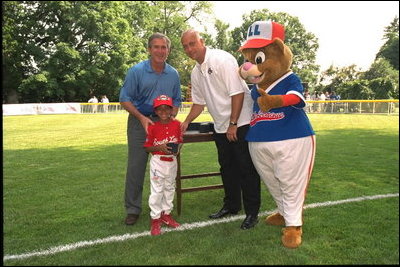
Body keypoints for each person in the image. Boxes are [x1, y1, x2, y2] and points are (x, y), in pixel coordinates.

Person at [180, 29, 261, 230]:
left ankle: (252, 213)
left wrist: (233, 123)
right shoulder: (195, 71)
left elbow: (237, 94)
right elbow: (198, 104)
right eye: (185, 46)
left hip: (240, 121)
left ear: (202, 41)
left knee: (246, 168)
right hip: (221, 125)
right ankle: (232, 206)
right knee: (227, 168)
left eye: (192, 43)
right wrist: (185, 122)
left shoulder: (222, 59)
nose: (189, 49)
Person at [119, 32, 182, 226]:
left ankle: (165, 208)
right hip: (140, 121)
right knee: (136, 166)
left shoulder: (173, 74)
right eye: (156, 47)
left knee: (166, 166)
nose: (160, 51)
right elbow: (125, 98)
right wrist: (142, 118)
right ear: (149, 49)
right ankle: (133, 209)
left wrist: (170, 119)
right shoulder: (136, 71)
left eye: (164, 47)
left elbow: (177, 100)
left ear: (168, 51)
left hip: (164, 123)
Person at [144, 95, 182, 236]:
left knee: (169, 188)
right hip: (158, 161)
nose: (164, 111)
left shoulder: (177, 124)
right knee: (157, 190)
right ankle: (155, 219)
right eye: (160, 109)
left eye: (167, 108)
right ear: (156, 111)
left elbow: (179, 141)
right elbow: (147, 148)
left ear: (172, 109)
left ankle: (166, 214)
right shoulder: (153, 127)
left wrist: (177, 149)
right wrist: (159, 146)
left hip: (171, 161)